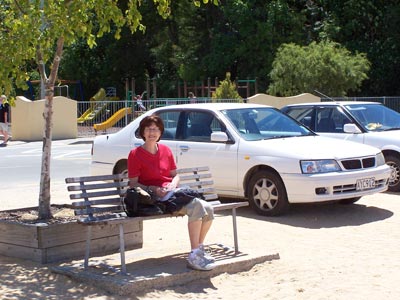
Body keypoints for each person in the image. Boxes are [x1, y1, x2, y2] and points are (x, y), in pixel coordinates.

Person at [127, 114, 216, 271]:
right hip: (153, 199)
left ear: (160, 132)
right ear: (142, 132)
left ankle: (198, 250)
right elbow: (133, 184)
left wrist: (172, 184)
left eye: (155, 129)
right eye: (148, 129)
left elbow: (175, 175)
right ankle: (194, 255)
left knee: (208, 208)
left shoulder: (166, 150)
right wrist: (153, 189)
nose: (152, 133)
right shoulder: (135, 155)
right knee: (197, 207)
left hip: (171, 194)